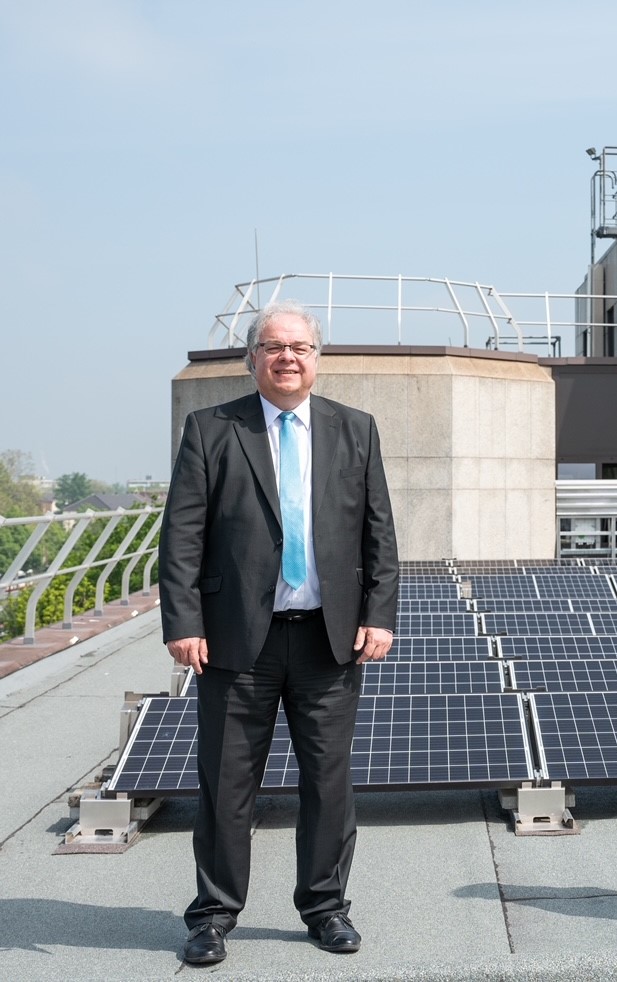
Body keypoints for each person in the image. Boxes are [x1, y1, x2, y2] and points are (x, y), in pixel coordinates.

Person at [160, 300, 400, 965]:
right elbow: (181, 536)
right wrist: (182, 622)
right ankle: (212, 916)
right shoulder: (211, 430)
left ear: (317, 358)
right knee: (226, 785)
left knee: (328, 782)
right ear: (253, 359)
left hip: (329, 641)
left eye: (299, 346)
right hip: (238, 641)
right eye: (272, 346)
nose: (286, 357)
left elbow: (378, 532)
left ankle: (325, 908)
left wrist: (379, 614)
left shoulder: (356, 430)